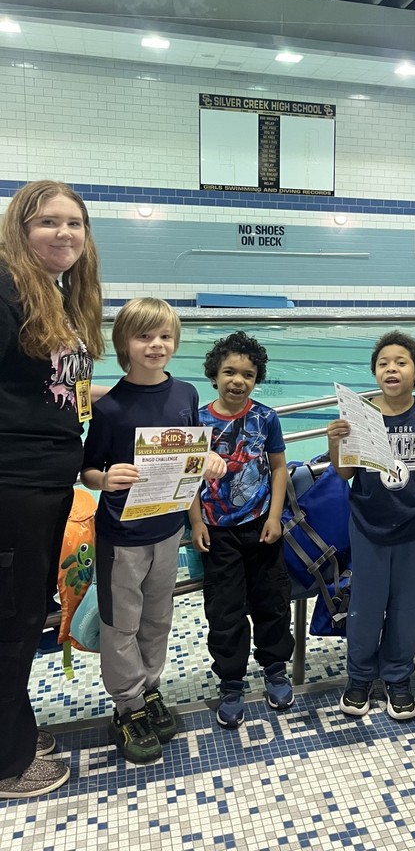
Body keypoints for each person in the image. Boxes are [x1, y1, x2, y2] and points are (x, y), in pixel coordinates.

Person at [81, 298, 225, 764]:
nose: (156, 345)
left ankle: (150, 689)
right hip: (121, 535)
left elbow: (192, 452)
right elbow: (87, 471)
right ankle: (127, 706)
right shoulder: (112, 408)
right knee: (121, 624)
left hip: (168, 529)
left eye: (164, 336)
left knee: (158, 618)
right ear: (124, 343)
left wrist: (211, 460)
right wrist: (106, 479)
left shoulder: (185, 394)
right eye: (144, 336)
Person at [0, 180, 104, 799]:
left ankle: (12, 726)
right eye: (48, 222)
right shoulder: (5, 288)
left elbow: (58, 393)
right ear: (20, 228)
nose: (64, 233)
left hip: (44, 483)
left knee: (22, 614)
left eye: (75, 223)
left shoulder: (56, 297)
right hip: (12, 486)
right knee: (10, 622)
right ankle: (7, 762)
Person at [327, 330, 415, 721]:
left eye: (401, 362)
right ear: (375, 373)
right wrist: (335, 441)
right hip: (367, 525)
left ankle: (398, 676)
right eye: (383, 363)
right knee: (365, 606)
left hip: (414, 526)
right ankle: (360, 677)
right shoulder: (360, 414)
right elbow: (344, 472)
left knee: (408, 608)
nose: (391, 368)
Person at [189, 331, 295, 729]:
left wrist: (275, 516)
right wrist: (197, 521)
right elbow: (188, 477)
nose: (238, 380)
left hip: (261, 527)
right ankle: (231, 682)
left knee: (272, 601)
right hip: (217, 533)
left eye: (247, 374)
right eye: (229, 372)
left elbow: (280, 467)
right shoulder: (196, 422)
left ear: (256, 378)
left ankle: (275, 669)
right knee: (225, 610)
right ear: (214, 375)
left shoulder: (265, 418)